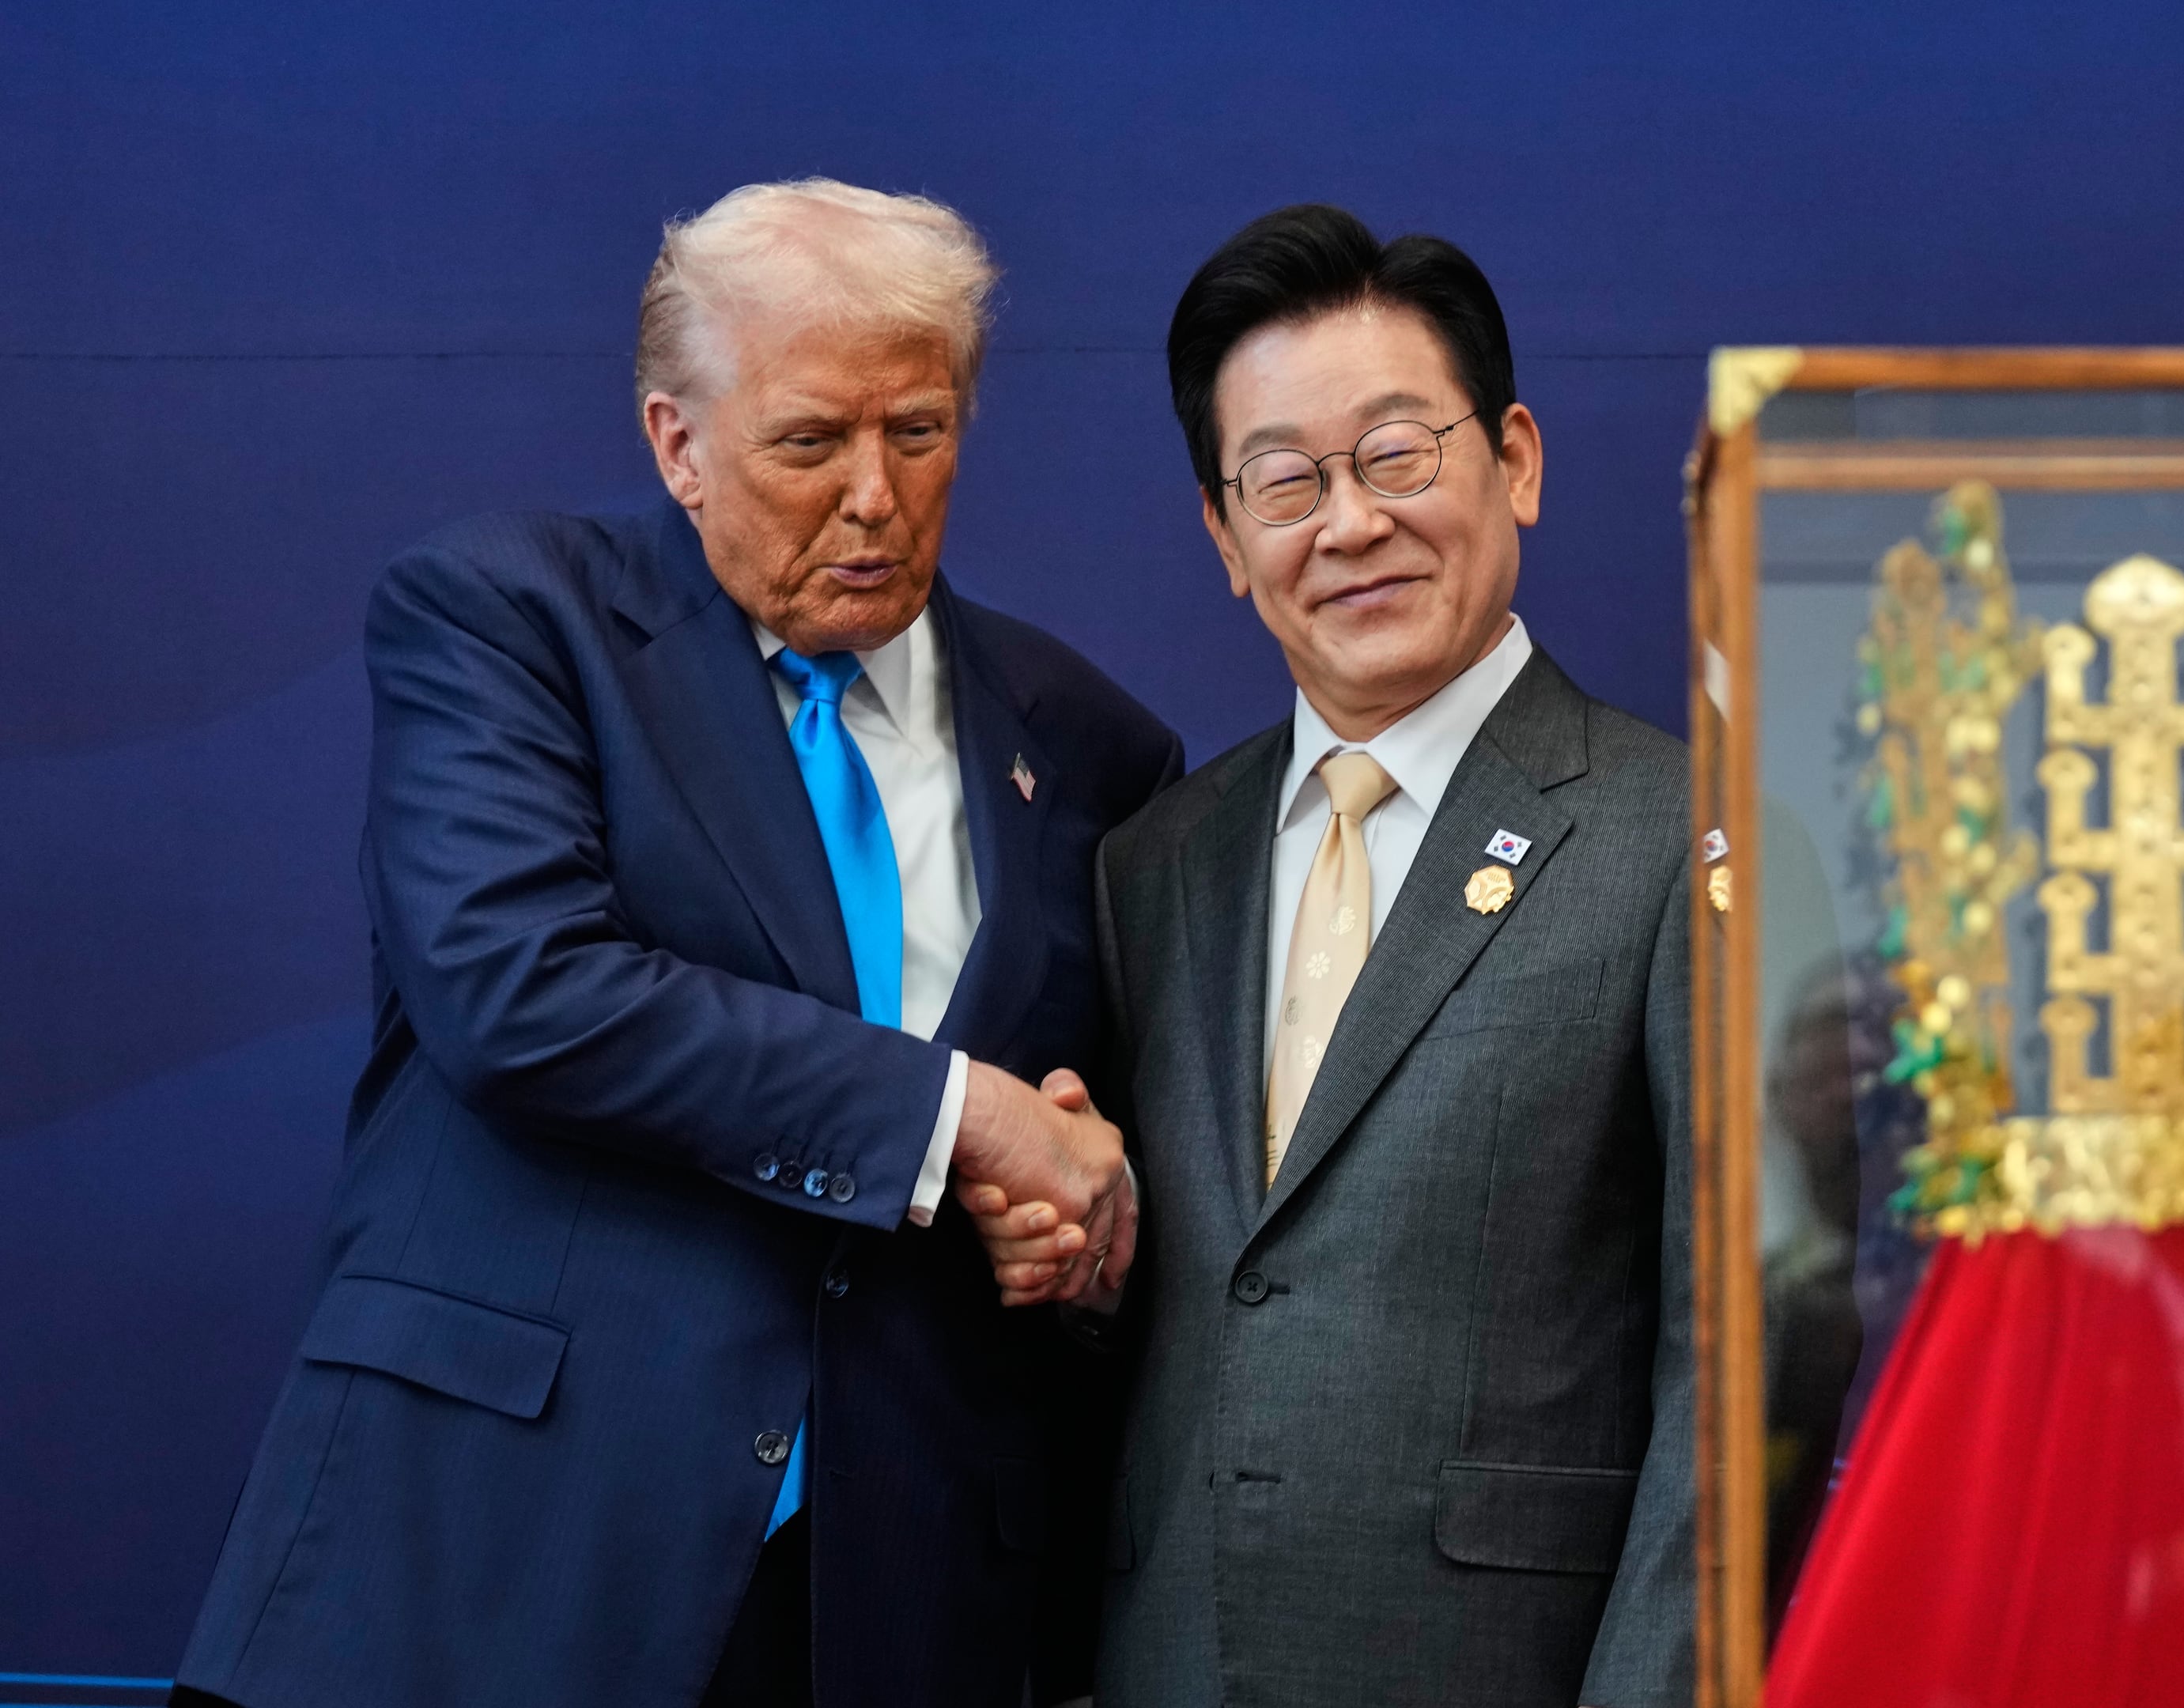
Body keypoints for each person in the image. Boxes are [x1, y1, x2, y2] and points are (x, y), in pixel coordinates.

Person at [172, 179, 1174, 1708]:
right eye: (808, 441)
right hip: (497, 1564)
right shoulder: (510, 621)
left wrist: (1077, 1231)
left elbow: (1087, 1146)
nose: (874, 496)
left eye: (918, 431)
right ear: (676, 444)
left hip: (887, 1610)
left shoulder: (1094, 744)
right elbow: (521, 995)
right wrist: (951, 1116)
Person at [1035, 204, 1693, 1708]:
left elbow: (1739, 1373)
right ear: (1223, 536)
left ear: (1513, 459)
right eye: (1285, 481)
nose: (1350, 524)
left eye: (1399, 455)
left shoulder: (1687, 839)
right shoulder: (1155, 863)